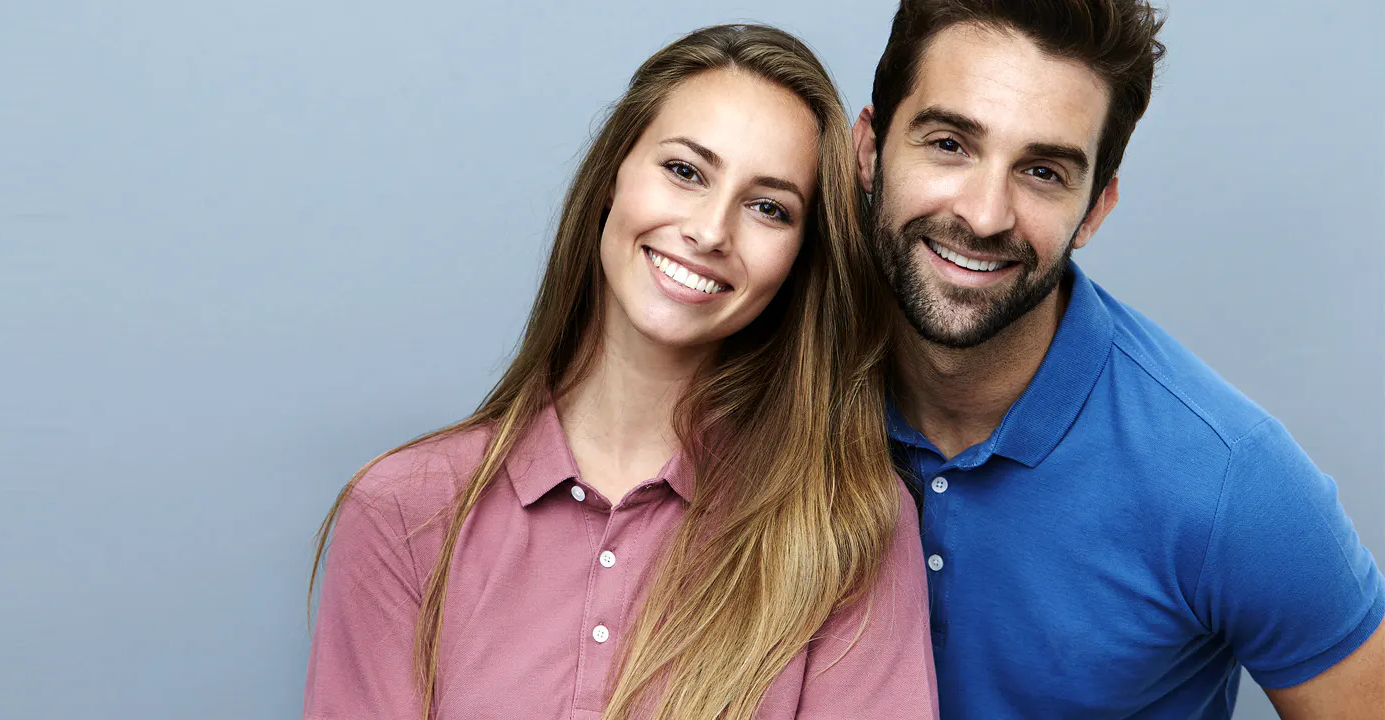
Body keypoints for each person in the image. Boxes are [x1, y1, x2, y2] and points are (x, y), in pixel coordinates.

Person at [303, 24, 936, 720]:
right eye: (685, 171)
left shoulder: (848, 532)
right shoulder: (404, 512)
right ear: (613, 175)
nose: (710, 231)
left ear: (798, 261)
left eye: (768, 208)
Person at [850, 1, 1385, 716]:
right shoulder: (775, 388)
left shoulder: (1232, 479)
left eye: (1042, 171)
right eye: (949, 143)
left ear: (1096, 209)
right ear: (868, 149)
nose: (983, 216)